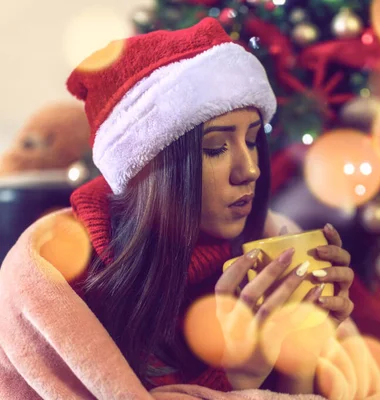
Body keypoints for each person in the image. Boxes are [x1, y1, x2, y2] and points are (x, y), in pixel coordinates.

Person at [0, 18, 358, 398]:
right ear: (150, 166)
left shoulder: (260, 254)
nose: (250, 170)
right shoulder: (64, 285)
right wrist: (237, 377)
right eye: (216, 148)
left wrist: (297, 356)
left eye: (252, 141)